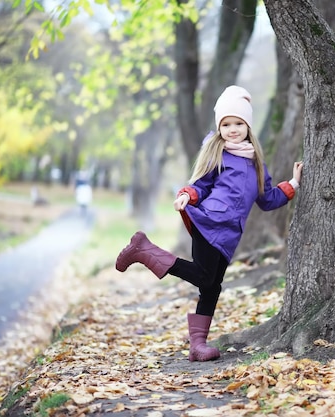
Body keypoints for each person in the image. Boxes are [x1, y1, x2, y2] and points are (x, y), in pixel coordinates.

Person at [115, 85, 303, 362]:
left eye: (238, 123)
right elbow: (200, 184)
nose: (232, 129)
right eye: (226, 124)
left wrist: (293, 185)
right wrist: (186, 195)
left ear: (248, 125)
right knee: (204, 277)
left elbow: (267, 199)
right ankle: (143, 250)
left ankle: (197, 345)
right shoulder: (218, 153)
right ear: (220, 127)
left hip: (230, 235)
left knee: (212, 286)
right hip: (209, 222)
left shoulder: (256, 163)